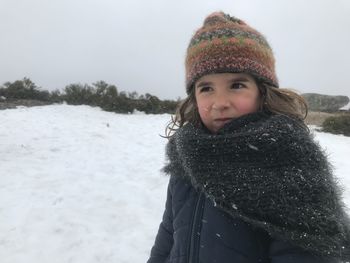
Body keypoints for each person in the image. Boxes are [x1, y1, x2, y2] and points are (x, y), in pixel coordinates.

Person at [146, 11, 350, 263]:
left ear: (262, 91)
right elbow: (169, 233)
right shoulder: (186, 155)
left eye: (237, 85)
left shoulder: (289, 162)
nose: (220, 103)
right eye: (206, 88)